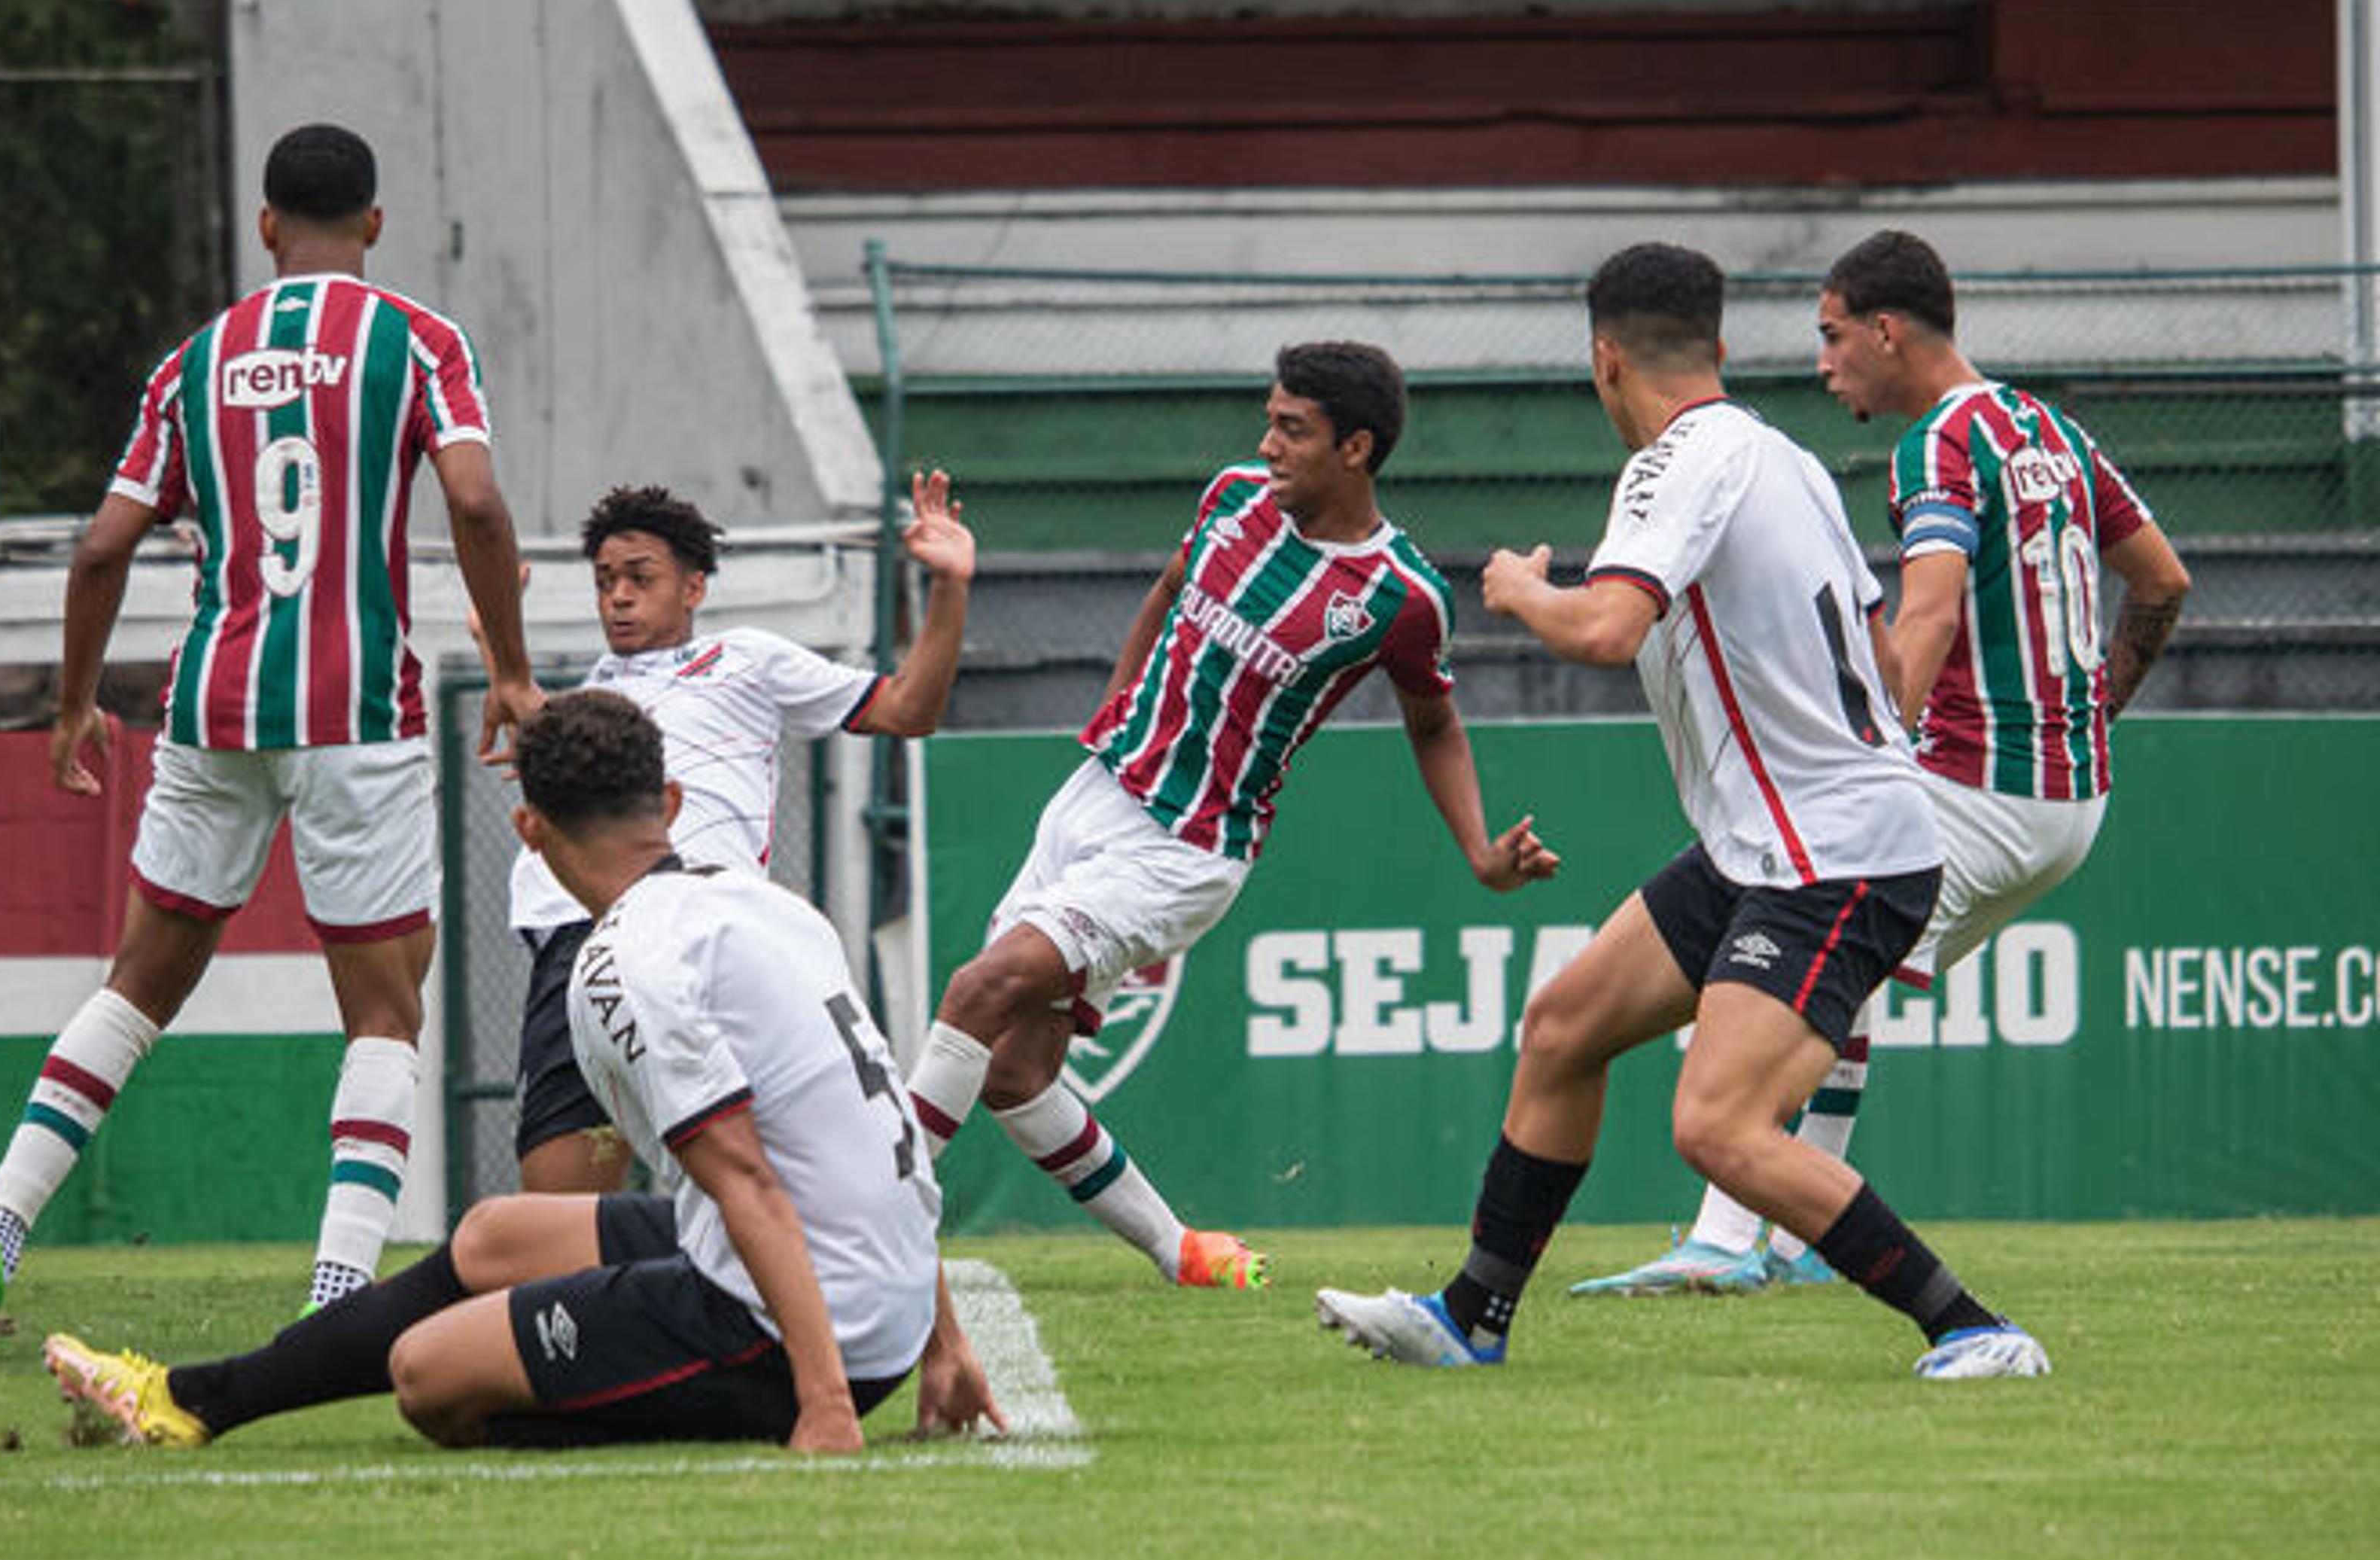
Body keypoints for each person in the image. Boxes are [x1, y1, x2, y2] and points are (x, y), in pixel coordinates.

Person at [1314, 242, 2051, 1379]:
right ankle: (1472, 1317)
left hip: (1828, 854)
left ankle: (1975, 1328)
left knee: (1718, 1127)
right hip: (1776, 841)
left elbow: (1606, 630)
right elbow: (1879, 647)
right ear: (1715, 346)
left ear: (1605, 360)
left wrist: (1518, 589)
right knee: (1566, 1025)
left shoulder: (1671, 462)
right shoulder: (1788, 458)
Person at [0, 123, 545, 1354]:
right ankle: (331, 1297)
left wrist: (72, 702)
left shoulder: (195, 360)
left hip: (212, 707)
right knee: (381, 1017)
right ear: (374, 225)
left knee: (135, 987)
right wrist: (513, 672)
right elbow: (472, 497)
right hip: (358, 712)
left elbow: (101, 545)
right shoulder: (419, 339)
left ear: (266, 226)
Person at [42, 689, 1003, 1452]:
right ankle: (194, 1398)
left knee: (427, 1376)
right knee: (497, 1233)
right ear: (669, 804)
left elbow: (745, 1176)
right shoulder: (769, 904)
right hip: (872, 1292)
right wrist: (941, 1335)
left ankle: (646, 1404)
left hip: (796, 1328)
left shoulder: (626, 961)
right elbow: (880, 1132)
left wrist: (828, 1403)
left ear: (529, 830)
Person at [1570, 228, 2193, 1295]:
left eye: (1832, 335)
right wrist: (2089, 716)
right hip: (2070, 804)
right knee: (1839, 988)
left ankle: (1728, 1241)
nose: (1823, 362)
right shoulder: (2055, 431)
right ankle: (1802, 1241)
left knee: (1766, 966)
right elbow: (2165, 580)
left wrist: (1867, 755)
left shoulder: (1938, 447)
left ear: (1886, 329)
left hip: (1969, 787)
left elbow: (1931, 608)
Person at [903, 340, 1560, 1288]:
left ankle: (869, 1221)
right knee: (1014, 1074)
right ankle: (1183, 1251)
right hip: (1094, 795)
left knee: (977, 988)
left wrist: (1479, 853)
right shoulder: (1232, 496)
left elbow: (1435, 721)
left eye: (1293, 428)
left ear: (1357, 448)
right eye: (1270, 419)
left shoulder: (1401, 596)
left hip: (1186, 850)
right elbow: (1170, 591)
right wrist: (1120, 703)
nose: (1270, 442)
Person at [507, 476, 972, 1195]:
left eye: (639, 578)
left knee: (773, 1171)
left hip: (707, 934)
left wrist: (948, 587)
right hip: (581, 940)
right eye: (605, 581)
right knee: (557, 1207)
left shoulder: (748, 660)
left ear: (693, 589)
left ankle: (839, 1275)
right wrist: (502, 656)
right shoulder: (580, 707)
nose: (618, 597)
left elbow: (909, 709)